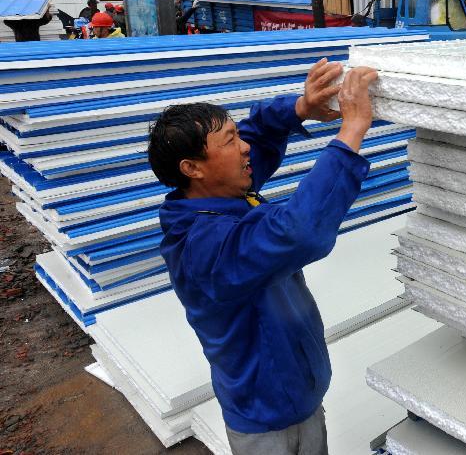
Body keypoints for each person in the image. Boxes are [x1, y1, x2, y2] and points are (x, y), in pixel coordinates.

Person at [148, 61, 378, 455]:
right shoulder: (203, 248)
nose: (245, 147)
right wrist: (351, 131)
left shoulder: (221, 193)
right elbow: (298, 231)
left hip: (299, 390)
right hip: (264, 414)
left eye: (237, 134)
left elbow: (259, 133)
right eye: (229, 141)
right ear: (192, 169)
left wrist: (300, 108)